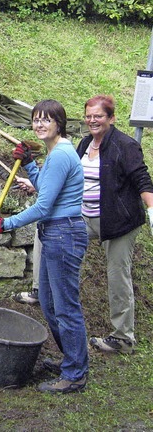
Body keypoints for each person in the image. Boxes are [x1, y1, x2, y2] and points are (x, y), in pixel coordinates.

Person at [0, 100, 89, 394]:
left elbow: (43, 206)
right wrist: (29, 162)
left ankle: (75, 373)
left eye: (46, 120)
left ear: (59, 124)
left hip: (63, 234)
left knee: (65, 308)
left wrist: (3, 224)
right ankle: (71, 359)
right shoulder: (57, 152)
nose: (39, 125)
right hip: (56, 233)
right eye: (36, 120)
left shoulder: (61, 154)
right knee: (50, 304)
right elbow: (46, 187)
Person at [78, 95, 153, 354]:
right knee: (51, 237)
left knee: (117, 275)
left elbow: (141, 178)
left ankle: (122, 338)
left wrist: (152, 207)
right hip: (85, 217)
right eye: (89, 115)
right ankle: (41, 293)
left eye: (98, 116)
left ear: (111, 118)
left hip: (120, 221)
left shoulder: (125, 145)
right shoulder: (85, 143)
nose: (92, 120)